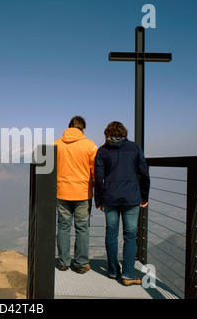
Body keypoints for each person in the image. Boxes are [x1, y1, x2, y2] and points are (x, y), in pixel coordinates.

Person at [94, 121, 150, 286]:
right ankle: (128, 274)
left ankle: (112, 271)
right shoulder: (134, 148)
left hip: (110, 197)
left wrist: (98, 199)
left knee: (111, 234)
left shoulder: (103, 151)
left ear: (107, 134)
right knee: (130, 235)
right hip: (131, 197)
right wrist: (144, 197)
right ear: (124, 133)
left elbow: (98, 178)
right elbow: (144, 174)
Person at [54, 116, 98, 273]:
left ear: (69, 127)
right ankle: (81, 264)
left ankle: (63, 262)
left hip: (61, 192)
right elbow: (96, 171)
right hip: (83, 193)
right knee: (82, 228)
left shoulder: (56, 144)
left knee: (63, 227)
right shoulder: (90, 146)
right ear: (83, 129)